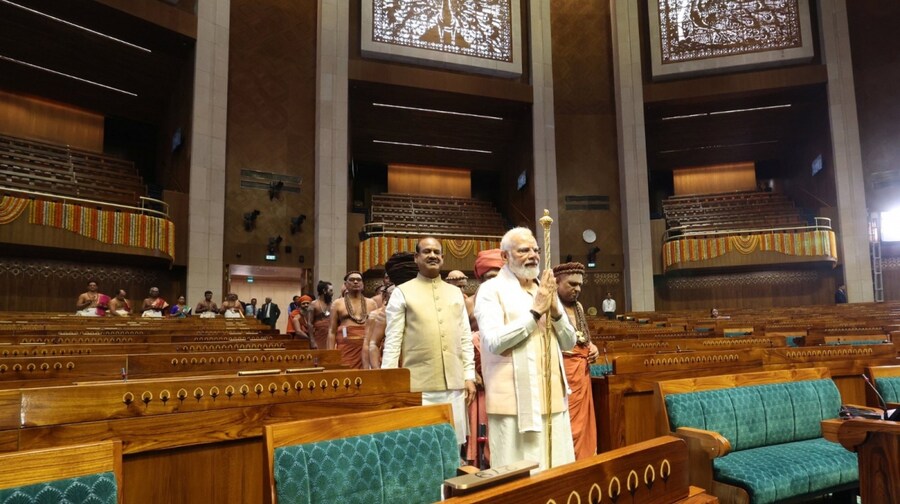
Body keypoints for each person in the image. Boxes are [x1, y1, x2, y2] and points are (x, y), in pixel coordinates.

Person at [474, 227, 577, 471]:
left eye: (536, 250)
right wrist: (535, 312)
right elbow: (494, 342)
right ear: (504, 256)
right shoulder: (491, 290)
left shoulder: (543, 288)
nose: (533, 255)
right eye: (524, 250)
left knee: (557, 470)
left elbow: (569, 342)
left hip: (553, 401)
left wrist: (554, 311)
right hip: (513, 404)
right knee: (521, 477)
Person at [382, 237, 476, 446]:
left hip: (454, 384)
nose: (432, 255)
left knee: (453, 444)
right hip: (418, 385)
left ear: (442, 258)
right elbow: (393, 340)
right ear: (417, 257)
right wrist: (389, 381)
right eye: (426, 251)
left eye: (436, 252)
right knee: (421, 445)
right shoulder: (402, 292)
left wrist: (469, 375)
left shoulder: (455, 293)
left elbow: (465, 338)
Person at [553, 262, 600, 461]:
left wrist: (593, 347)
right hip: (562, 374)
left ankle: (585, 461)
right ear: (556, 282)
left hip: (582, 374)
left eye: (580, 285)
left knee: (584, 425)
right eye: (572, 284)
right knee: (568, 426)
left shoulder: (579, 307)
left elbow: (584, 337)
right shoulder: (550, 306)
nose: (577, 289)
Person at [466, 247, 504, 467]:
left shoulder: (508, 299)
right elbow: (459, 339)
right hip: (479, 375)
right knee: (481, 425)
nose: (494, 281)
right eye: (489, 277)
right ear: (480, 278)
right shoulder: (470, 303)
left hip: (502, 370)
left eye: (498, 276)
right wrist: (471, 372)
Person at [328, 271, 377, 369]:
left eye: (358, 280)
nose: (355, 282)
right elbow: (331, 331)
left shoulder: (372, 303)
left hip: (366, 347)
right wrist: (330, 354)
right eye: (351, 280)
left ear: (362, 284)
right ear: (346, 284)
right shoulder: (337, 303)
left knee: (367, 378)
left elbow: (376, 330)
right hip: (346, 349)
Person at [310, 281, 333, 350]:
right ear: (324, 291)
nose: (332, 293)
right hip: (318, 335)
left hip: (330, 334)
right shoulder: (313, 304)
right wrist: (312, 341)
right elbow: (309, 323)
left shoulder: (332, 304)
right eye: (331, 290)